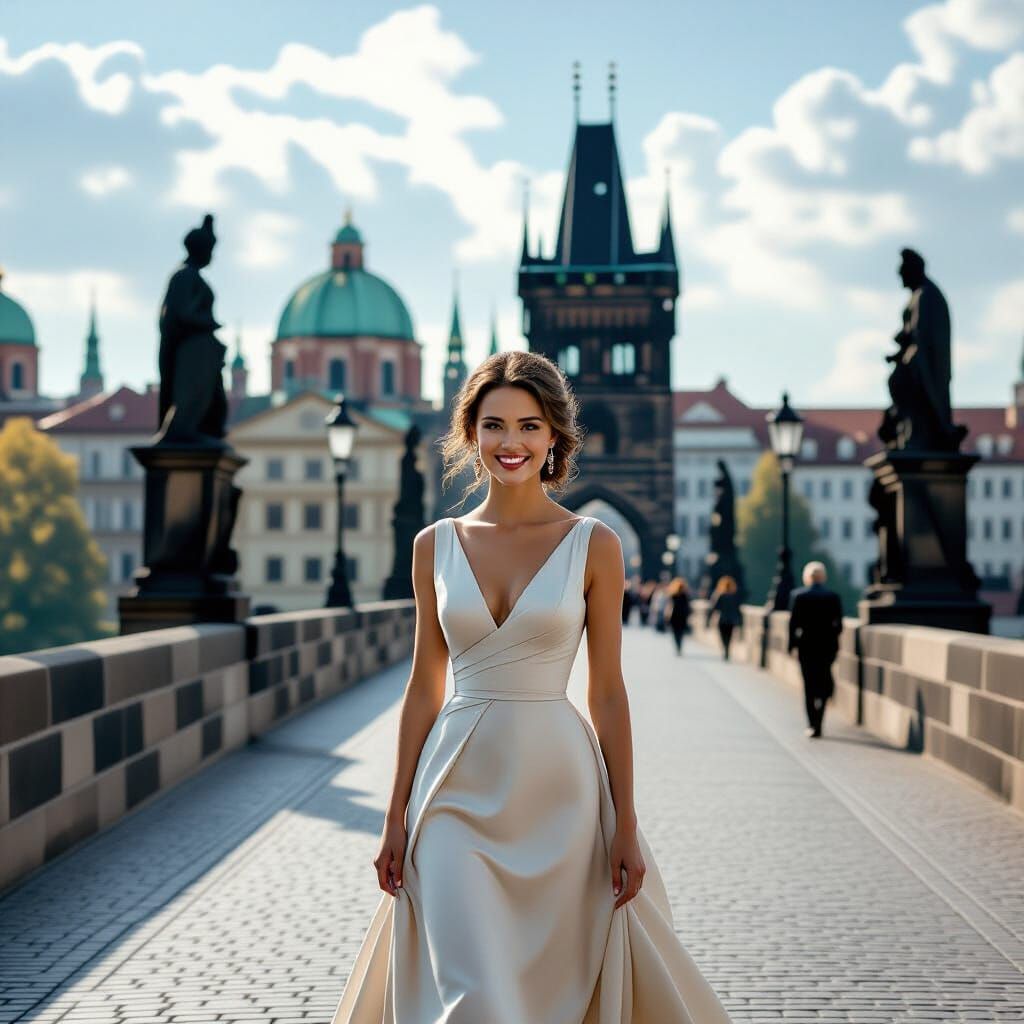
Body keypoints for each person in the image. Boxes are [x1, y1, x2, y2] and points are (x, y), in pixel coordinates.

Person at [331, 350, 734, 1023]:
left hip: (559, 793)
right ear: (470, 433)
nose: (510, 442)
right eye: (493, 425)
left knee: (547, 995)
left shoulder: (594, 543)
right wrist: (394, 814)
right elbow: (424, 685)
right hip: (454, 789)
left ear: (554, 438)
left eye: (528, 425)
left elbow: (608, 692)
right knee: (473, 996)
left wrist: (626, 823)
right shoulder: (434, 544)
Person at [787, 561, 843, 739]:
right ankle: (820, 718)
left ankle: (812, 723)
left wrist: (791, 645)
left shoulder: (798, 596)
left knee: (809, 685)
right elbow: (839, 625)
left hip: (806, 646)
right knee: (824, 681)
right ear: (823, 577)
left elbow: (793, 624)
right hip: (826, 646)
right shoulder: (833, 597)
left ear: (807, 577)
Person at [705, 575, 742, 661]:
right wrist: (740, 620)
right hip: (731, 620)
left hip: (722, 619)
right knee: (729, 636)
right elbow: (738, 609)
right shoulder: (734, 596)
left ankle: (725, 649)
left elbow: (714, 607)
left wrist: (709, 619)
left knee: (723, 636)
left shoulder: (720, 595)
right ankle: (727, 649)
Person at [666, 577, 691, 656]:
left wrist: (667, 616)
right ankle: (679, 647)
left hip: (675, 617)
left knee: (676, 633)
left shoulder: (673, 595)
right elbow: (688, 607)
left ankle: (678, 647)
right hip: (681, 617)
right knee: (680, 633)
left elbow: (669, 607)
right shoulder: (684, 596)